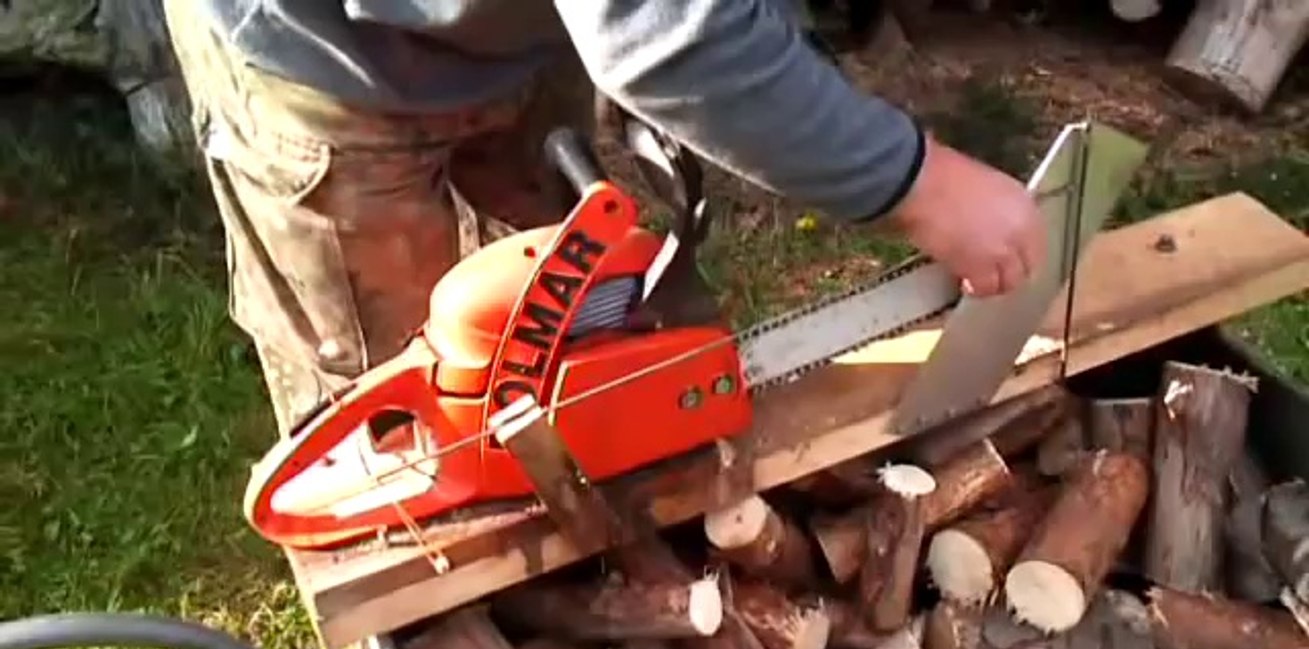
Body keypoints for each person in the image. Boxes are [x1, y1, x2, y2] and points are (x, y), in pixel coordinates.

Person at [161, 0, 1047, 437]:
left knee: (556, 344)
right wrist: (918, 185)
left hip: (512, 30)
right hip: (316, 52)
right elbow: (672, 38)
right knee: (397, 434)